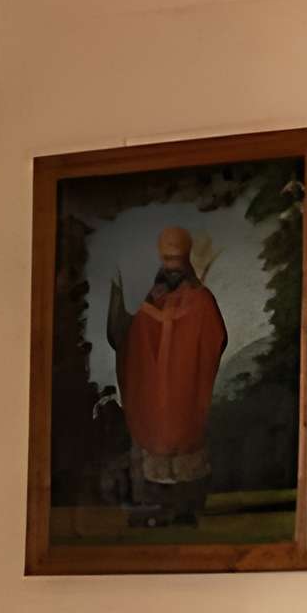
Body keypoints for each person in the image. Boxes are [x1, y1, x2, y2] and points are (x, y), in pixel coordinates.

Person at [104, 226, 228, 529]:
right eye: (167, 259)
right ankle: (159, 507)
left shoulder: (199, 301)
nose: (170, 266)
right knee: (157, 449)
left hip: (182, 395)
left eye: (176, 259)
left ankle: (183, 508)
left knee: (183, 450)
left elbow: (215, 340)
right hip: (157, 397)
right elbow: (128, 338)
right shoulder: (155, 302)